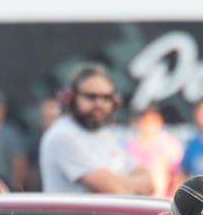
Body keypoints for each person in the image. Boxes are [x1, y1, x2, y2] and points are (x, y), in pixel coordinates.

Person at [38, 63, 151, 195]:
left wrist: (120, 183)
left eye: (106, 97)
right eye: (91, 96)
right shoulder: (63, 135)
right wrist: (127, 184)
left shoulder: (105, 134)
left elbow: (149, 182)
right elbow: (116, 190)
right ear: (71, 98)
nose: (99, 103)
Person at [124, 104, 183, 198]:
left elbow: (178, 174)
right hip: (136, 196)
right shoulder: (130, 145)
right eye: (145, 121)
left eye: (152, 121)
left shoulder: (169, 144)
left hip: (161, 198)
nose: (148, 125)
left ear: (159, 121)